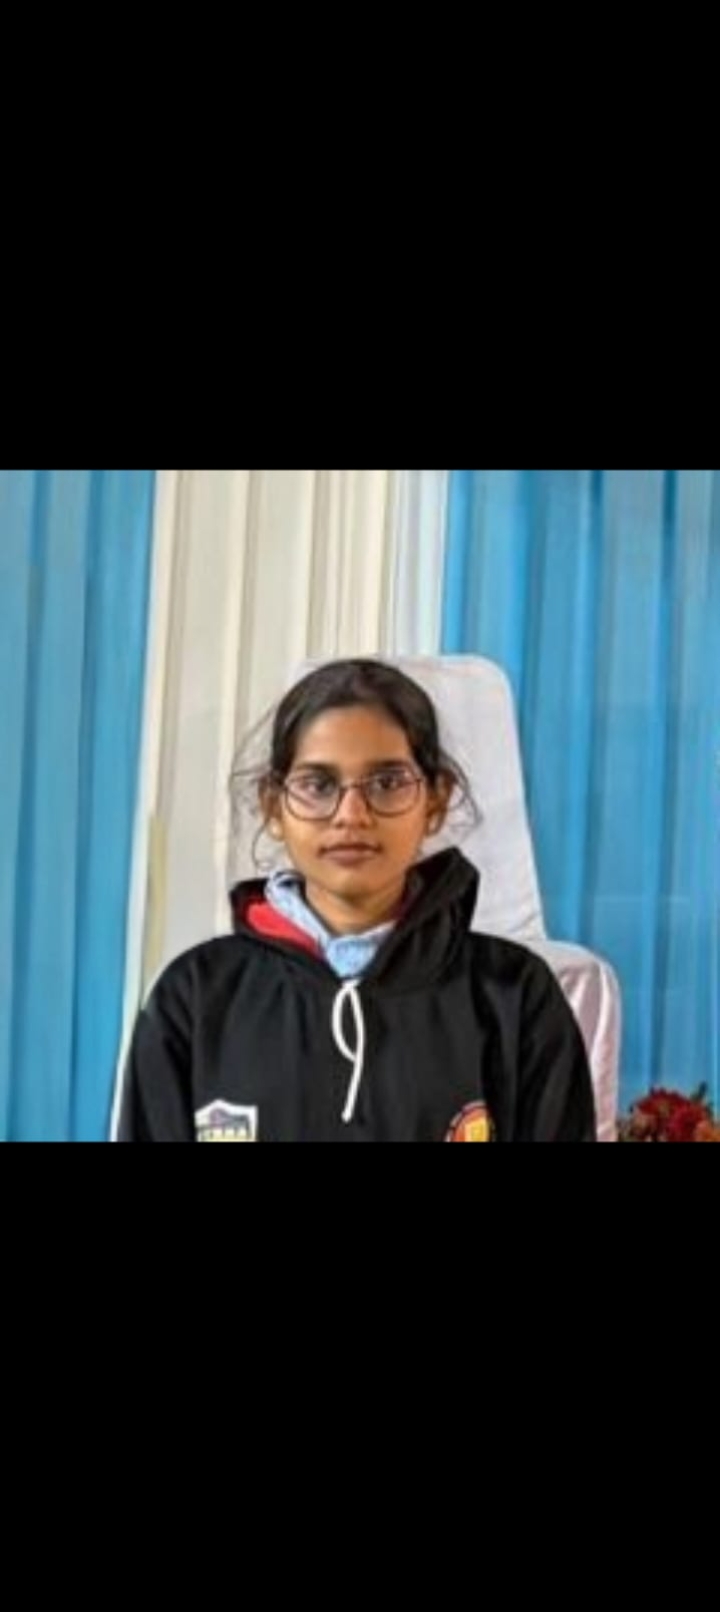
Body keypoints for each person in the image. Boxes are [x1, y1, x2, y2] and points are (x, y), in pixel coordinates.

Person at [117, 659, 596, 1142]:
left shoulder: (515, 997)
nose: (351, 815)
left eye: (387, 783)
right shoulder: (196, 998)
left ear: (435, 800)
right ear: (273, 805)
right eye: (317, 785)